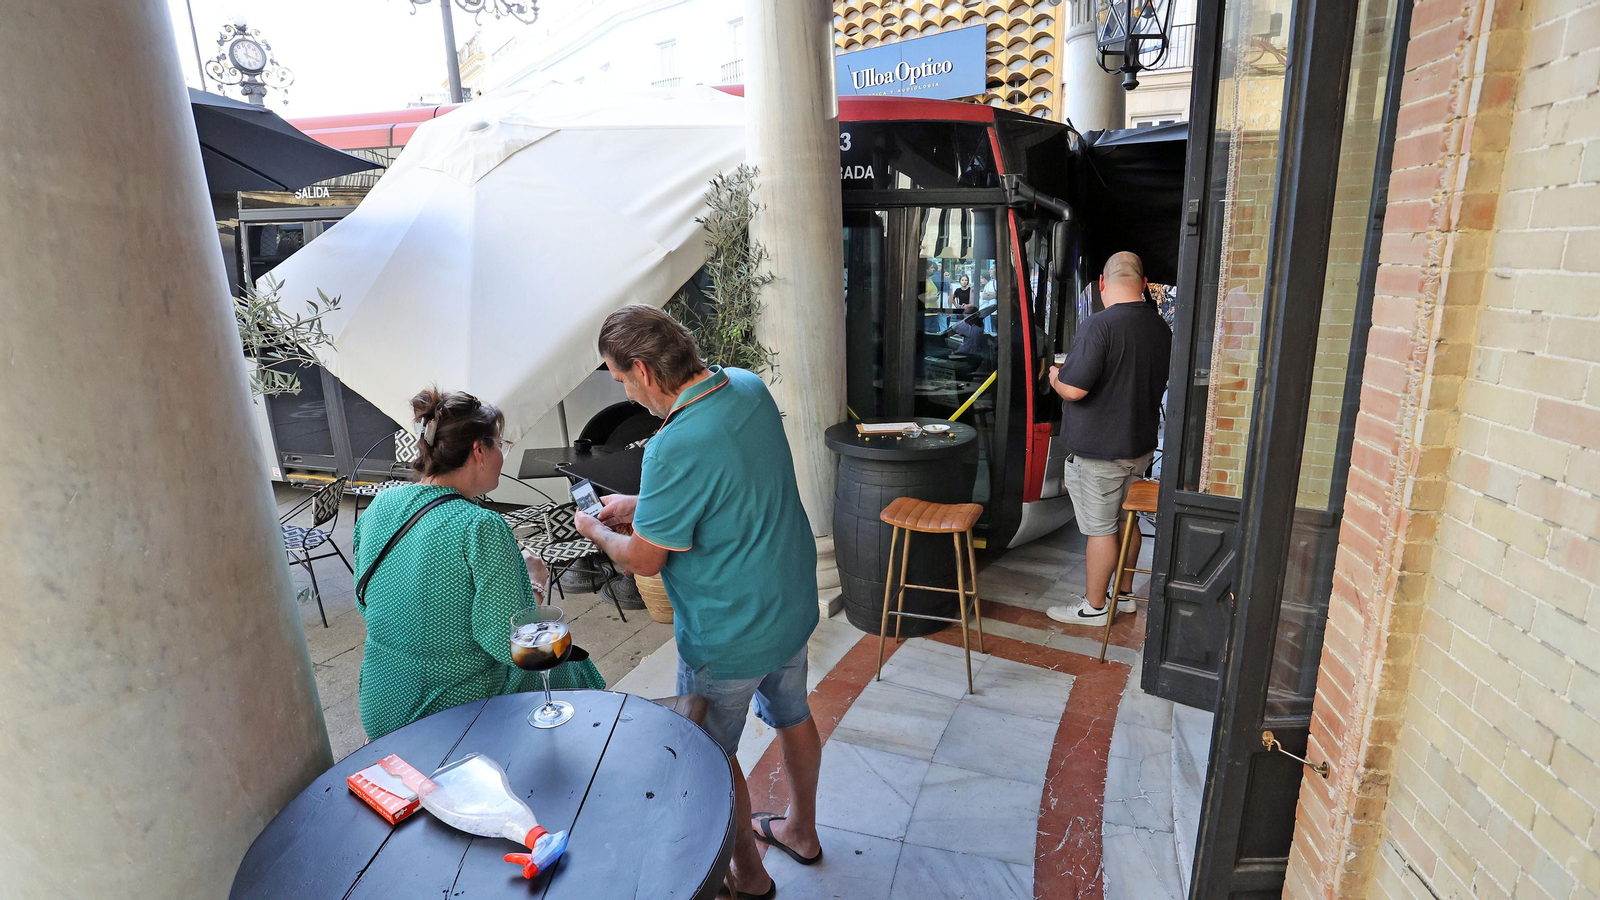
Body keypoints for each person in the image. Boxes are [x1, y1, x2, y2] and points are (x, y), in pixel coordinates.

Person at [574, 306, 820, 900]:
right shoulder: (747, 387)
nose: (626, 391)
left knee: (710, 756)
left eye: (621, 379)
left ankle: (750, 877)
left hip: (728, 630)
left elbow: (645, 559)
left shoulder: (672, 444)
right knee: (794, 714)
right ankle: (802, 831)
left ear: (643, 370)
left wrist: (597, 530)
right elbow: (728, 483)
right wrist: (641, 505)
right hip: (788, 601)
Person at [352, 388, 605, 740]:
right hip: (450, 712)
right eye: (499, 444)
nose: (502, 455)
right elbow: (513, 645)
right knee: (565, 664)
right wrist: (534, 581)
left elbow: (365, 602)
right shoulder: (479, 526)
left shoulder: (382, 504)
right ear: (479, 451)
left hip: (381, 705)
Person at [1045, 252, 1172, 625]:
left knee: (1100, 530)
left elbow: (1074, 389)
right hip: (1138, 447)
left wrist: (1055, 377)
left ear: (1102, 282)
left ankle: (1095, 606)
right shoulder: (1159, 327)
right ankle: (1124, 595)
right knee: (1126, 522)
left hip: (1099, 452)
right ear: (1144, 284)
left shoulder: (1098, 325)